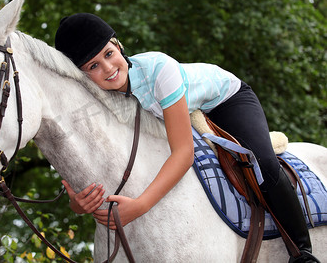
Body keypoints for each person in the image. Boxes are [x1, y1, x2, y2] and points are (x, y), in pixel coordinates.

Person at [54, 13, 318, 262]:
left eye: (109, 54)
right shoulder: (101, 98)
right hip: (175, 112)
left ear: (119, 45)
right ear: (84, 76)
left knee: (264, 163)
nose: (109, 68)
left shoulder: (158, 69)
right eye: (94, 66)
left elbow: (184, 153)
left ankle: (302, 252)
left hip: (225, 101)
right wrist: (78, 204)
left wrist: (141, 205)